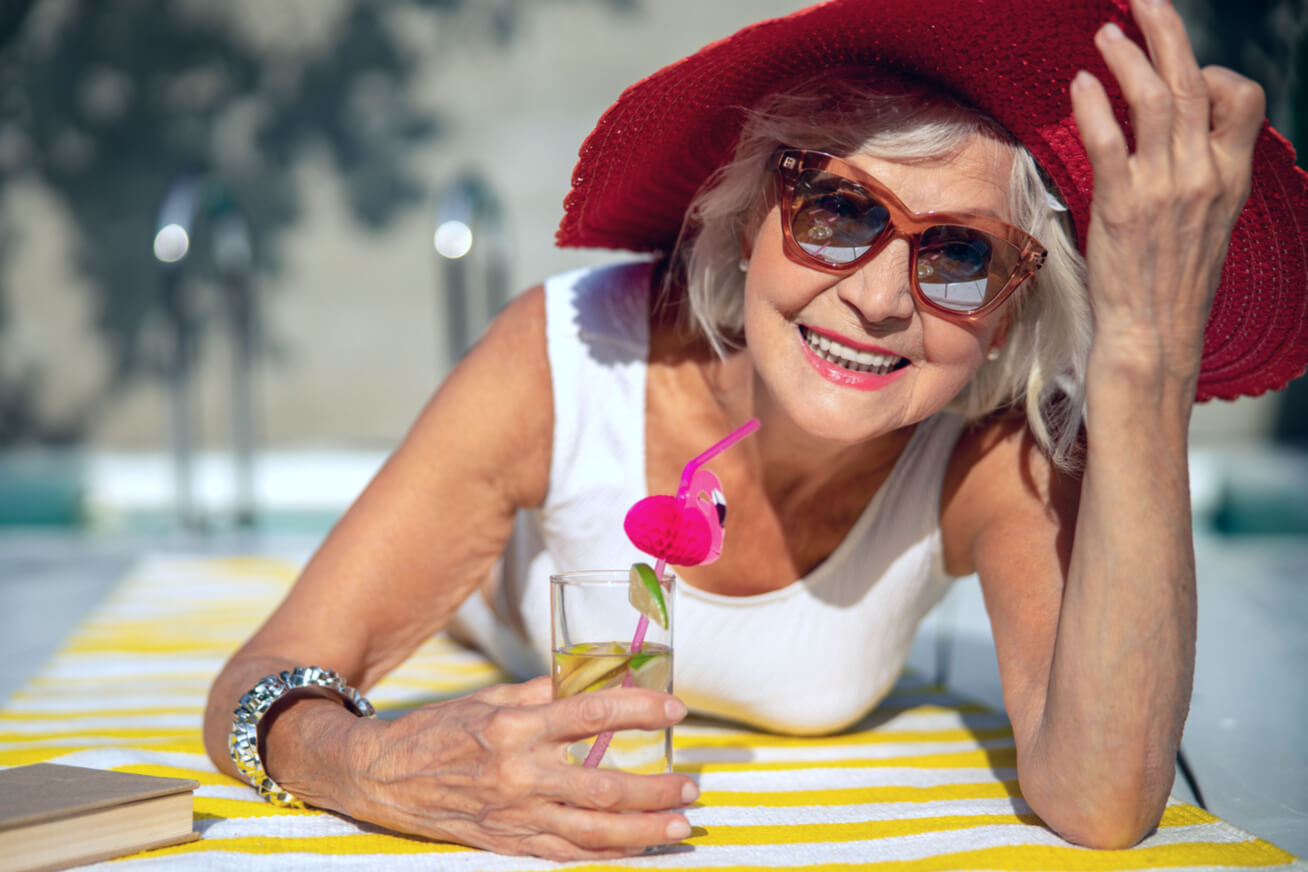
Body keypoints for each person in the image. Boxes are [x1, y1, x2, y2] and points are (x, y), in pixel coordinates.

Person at [203, 0, 1308, 860]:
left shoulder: (996, 448)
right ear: (747, 215)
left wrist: (1147, 362)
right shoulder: (566, 360)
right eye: (838, 210)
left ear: (1019, 301)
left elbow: (1104, 800)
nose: (880, 297)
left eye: (960, 254)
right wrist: (369, 764)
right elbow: (259, 678)